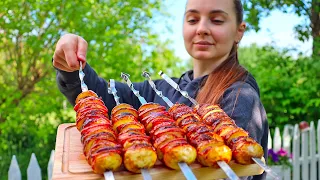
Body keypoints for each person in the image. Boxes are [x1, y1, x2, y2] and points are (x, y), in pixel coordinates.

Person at [53, 0, 268, 179]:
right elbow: (109, 98)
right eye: (193, 19)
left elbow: (230, 170)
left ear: (239, 31)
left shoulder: (241, 97)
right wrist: (71, 68)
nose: (202, 28)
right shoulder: (160, 89)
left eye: (217, 20)